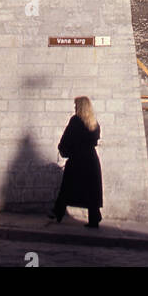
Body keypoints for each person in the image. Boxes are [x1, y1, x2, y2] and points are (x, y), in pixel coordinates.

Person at [47, 96, 103, 227]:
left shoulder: (76, 121)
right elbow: (95, 139)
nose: (74, 108)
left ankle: (57, 212)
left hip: (77, 159)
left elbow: (67, 138)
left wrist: (63, 149)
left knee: (67, 186)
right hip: (91, 159)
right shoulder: (94, 123)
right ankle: (94, 219)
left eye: (76, 105)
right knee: (91, 190)